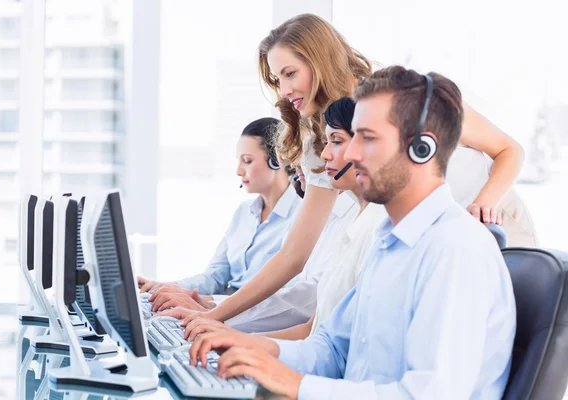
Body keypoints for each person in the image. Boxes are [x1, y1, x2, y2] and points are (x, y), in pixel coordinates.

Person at [163, 12, 533, 328]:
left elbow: (508, 149)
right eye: (277, 80)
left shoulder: (405, 98)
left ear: (319, 60)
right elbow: (294, 255)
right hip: (429, 243)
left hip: (492, 221)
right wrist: (217, 314)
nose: (283, 90)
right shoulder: (321, 146)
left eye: (290, 73)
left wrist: (482, 205)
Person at [188, 67, 516, 400]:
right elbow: (332, 347)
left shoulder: (454, 249)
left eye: (368, 138)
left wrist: (294, 385)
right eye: (353, 136)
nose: (352, 153)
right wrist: (249, 346)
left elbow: (429, 394)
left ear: (422, 148)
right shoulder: (388, 243)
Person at [182, 97, 386, 338]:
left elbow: (308, 312)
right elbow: (316, 329)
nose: (324, 157)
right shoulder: (341, 222)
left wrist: (219, 320)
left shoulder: (369, 226)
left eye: (335, 142)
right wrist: (216, 318)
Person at [137, 117, 302, 311]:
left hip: (255, 318)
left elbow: (287, 296)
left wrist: (209, 303)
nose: (239, 171)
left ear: (277, 159)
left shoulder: (302, 217)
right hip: (220, 310)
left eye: (247, 161)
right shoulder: (243, 214)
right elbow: (215, 276)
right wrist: (164, 288)